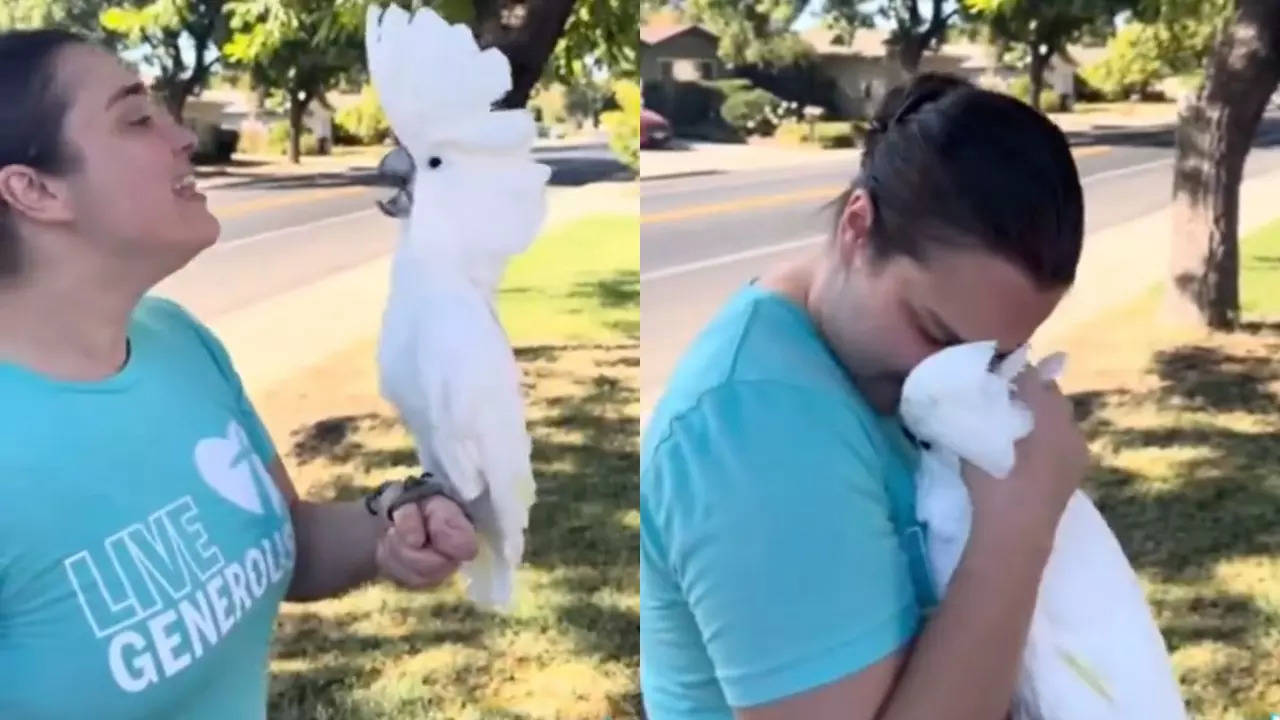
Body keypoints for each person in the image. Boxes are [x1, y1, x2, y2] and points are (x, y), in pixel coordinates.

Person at [0, 29, 480, 719]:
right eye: (136, 119)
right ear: (34, 190)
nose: (183, 137)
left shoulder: (177, 341)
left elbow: (287, 538)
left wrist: (391, 524)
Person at [639, 73, 1091, 719]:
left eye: (995, 359)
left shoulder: (849, 351)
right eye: (935, 333)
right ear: (857, 227)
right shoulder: (759, 434)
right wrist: (1019, 525)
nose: (955, 381)